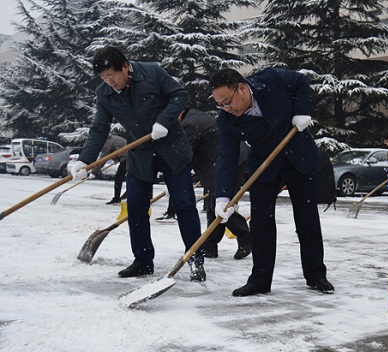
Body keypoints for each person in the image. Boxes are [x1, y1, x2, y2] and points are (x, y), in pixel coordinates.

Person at [71, 46, 205, 282]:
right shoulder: (105, 93)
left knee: (184, 205)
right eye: (103, 77)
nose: (109, 81)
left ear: (125, 66)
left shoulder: (152, 73)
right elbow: (99, 128)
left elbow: (179, 94)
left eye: (112, 75)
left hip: (171, 148)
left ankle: (195, 260)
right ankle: (142, 261)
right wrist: (85, 160)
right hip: (140, 153)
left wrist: (164, 121)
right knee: (135, 207)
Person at [208, 67, 334, 297]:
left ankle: (316, 275)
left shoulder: (271, 79)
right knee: (260, 223)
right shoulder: (226, 120)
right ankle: (260, 280)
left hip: (298, 156)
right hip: (264, 164)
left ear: (242, 88)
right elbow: (227, 157)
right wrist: (223, 196)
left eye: (228, 101)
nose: (226, 109)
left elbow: (301, 81)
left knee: (307, 218)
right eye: (220, 105)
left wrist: (301, 111)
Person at [156, 107, 252, 260]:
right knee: (215, 206)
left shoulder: (189, 124)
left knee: (222, 206)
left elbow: (184, 155)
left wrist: (174, 178)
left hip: (230, 162)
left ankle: (246, 238)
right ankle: (210, 247)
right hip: (224, 162)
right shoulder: (192, 117)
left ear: (179, 113)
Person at [91, 134, 128, 205]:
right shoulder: (111, 139)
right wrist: (117, 159)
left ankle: (117, 198)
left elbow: (103, 159)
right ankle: (126, 195)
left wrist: (94, 172)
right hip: (130, 156)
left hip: (128, 157)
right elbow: (116, 150)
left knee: (119, 178)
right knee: (129, 177)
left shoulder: (108, 142)